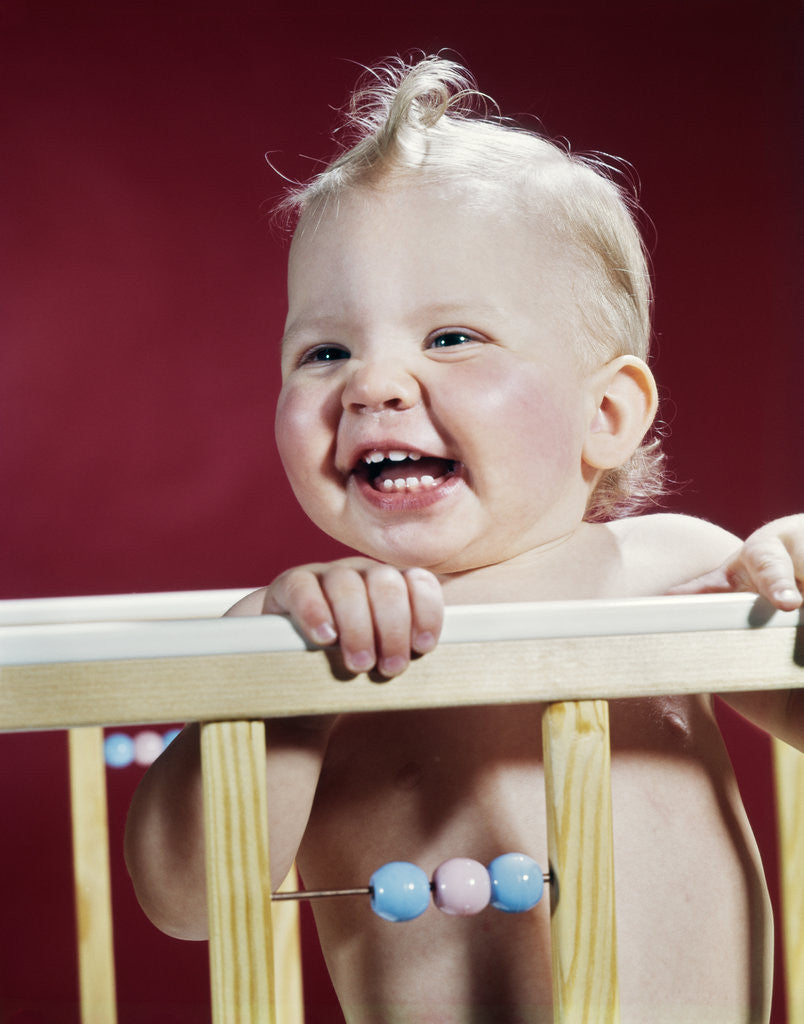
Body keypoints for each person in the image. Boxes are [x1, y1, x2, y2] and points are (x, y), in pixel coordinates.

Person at [125, 55, 803, 1023]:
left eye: (451, 338)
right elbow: (187, 902)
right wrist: (285, 700)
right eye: (325, 351)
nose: (372, 385)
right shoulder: (305, 635)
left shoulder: (676, 570)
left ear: (607, 412)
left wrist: (792, 573)